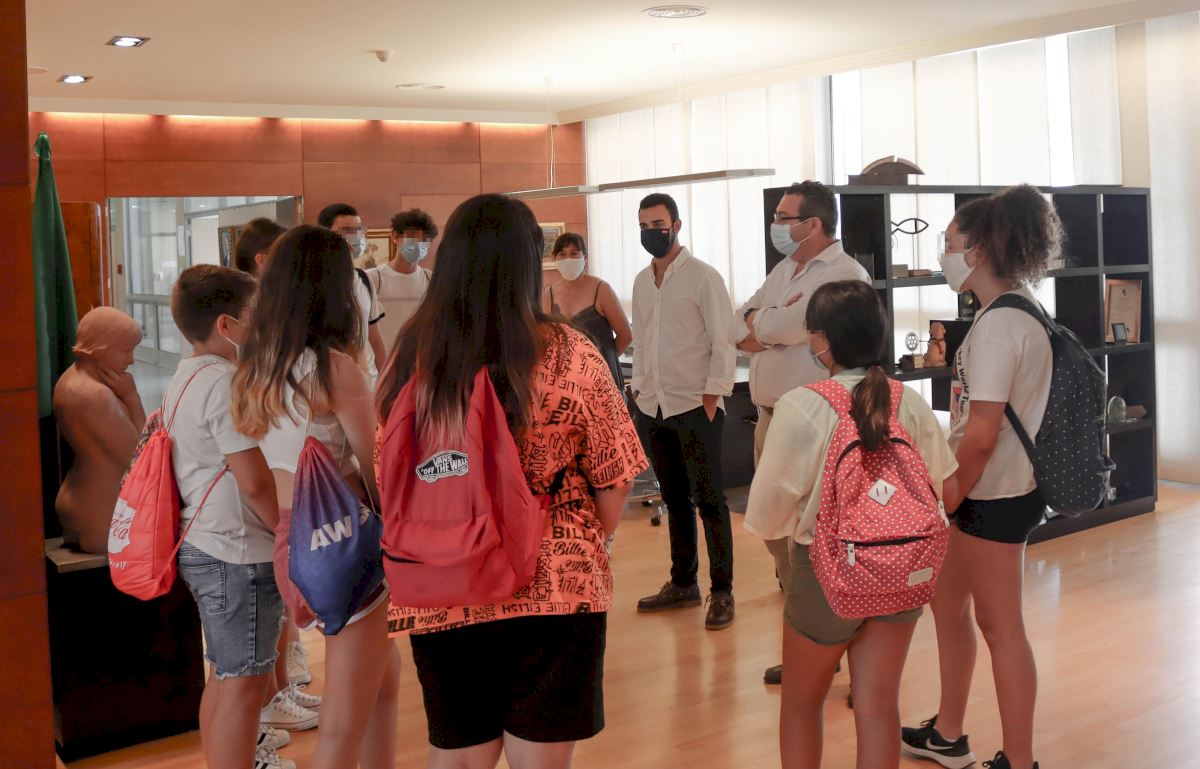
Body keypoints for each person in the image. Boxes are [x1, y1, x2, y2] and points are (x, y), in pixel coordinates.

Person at [378, 194, 645, 769]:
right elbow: (616, 475)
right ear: (528, 263)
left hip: (440, 580)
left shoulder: (413, 353)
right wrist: (588, 537)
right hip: (555, 580)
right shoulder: (571, 352)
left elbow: (388, 465)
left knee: (458, 755)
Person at [746, 280, 958, 769]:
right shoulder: (909, 401)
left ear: (821, 339)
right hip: (903, 569)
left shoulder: (802, 404)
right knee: (878, 705)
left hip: (826, 573)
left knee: (802, 702)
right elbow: (946, 492)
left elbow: (766, 514)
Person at [231, 225, 402, 769]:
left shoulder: (256, 366)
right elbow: (376, 467)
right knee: (342, 723)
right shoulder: (334, 368)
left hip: (293, 538)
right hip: (344, 539)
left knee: (383, 680)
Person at [901, 185, 1060, 769]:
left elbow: (983, 433)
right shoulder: (1015, 309)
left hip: (993, 492)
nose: (943, 254)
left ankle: (1020, 760)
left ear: (980, 251)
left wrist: (948, 497)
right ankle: (948, 733)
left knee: (1001, 627)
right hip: (987, 488)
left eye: (949, 243)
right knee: (948, 605)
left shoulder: (997, 327)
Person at [736, 180, 871, 683]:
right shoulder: (784, 269)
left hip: (818, 426)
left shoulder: (843, 274)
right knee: (780, 537)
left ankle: (843, 652)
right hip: (771, 418)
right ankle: (814, 643)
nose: (775, 225)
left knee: (824, 542)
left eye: (783, 217)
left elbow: (782, 329)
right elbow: (740, 322)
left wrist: (767, 328)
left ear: (813, 224)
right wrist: (768, 326)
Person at [166, 265, 292, 769]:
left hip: (204, 542)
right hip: (238, 552)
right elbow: (254, 481)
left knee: (224, 675)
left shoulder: (186, 374)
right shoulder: (223, 384)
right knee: (244, 685)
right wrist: (285, 533)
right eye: (255, 314)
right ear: (226, 325)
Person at [631, 192, 738, 630]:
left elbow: (724, 340)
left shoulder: (703, 277)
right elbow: (642, 341)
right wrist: (638, 388)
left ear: (676, 225)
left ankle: (722, 591)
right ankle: (683, 583)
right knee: (675, 500)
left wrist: (713, 395)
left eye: (657, 224)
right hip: (653, 405)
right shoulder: (642, 281)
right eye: (643, 226)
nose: (650, 232)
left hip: (696, 405)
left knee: (711, 501)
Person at [52, 307, 145, 554]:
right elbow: (139, 458)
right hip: (102, 510)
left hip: (83, 498)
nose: (131, 360)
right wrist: (132, 397)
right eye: (125, 350)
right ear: (100, 347)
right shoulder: (96, 395)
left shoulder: (69, 380)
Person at [543, 232, 632, 389]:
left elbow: (626, 336)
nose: (568, 259)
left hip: (602, 381)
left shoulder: (602, 290)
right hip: (568, 384)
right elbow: (548, 341)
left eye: (574, 253)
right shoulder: (548, 295)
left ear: (585, 257)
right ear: (554, 258)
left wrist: (599, 362)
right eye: (562, 254)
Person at [317, 203, 387, 383]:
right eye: (346, 230)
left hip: (368, 380)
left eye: (358, 230)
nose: (354, 237)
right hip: (330, 380)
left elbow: (375, 337)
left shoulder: (364, 279)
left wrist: (388, 381)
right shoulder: (314, 281)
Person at [365, 208, 437, 357]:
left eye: (423, 239)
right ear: (395, 237)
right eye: (411, 236)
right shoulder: (373, 278)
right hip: (382, 363)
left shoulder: (432, 280)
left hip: (419, 361)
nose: (417, 243)